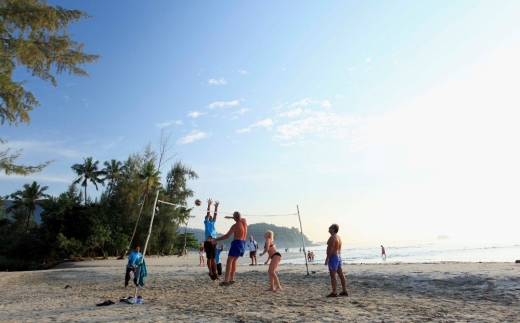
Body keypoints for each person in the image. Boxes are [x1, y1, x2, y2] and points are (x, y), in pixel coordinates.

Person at [214, 211, 247, 286]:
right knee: (234, 261)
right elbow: (241, 218)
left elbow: (226, 236)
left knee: (229, 261)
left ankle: (226, 281)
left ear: (235, 218)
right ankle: (232, 279)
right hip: (243, 243)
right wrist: (231, 217)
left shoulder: (235, 226)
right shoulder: (244, 221)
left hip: (237, 243)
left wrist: (216, 239)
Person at [325, 224, 348, 297]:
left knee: (333, 274)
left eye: (330, 227)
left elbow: (330, 248)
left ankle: (334, 292)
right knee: (340, 274)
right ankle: (344, 291)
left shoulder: (332, 237)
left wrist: (327, 258)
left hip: (334, 256)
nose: (329, 228)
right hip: (338, 256)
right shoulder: (338, 237)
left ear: (333, 229)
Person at [204, 199, 219, 280]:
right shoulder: (206, 222)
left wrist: (216, 207)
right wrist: (209, 205)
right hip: (208, 242)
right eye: (208, 216)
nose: (210, 216)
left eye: (210, 216)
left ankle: (215, 272)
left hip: (213, 242)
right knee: (209, 258)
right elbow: (208, 213)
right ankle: (210, 271)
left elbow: (215, 214)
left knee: (213, 258)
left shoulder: (213, 222)